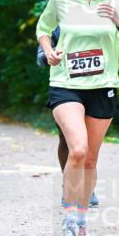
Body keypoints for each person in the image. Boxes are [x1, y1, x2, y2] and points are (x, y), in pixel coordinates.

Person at [36, 0, 119, 236]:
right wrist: (49, 50)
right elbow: (43, 27)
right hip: (66, 82)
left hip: (102, 85)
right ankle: (67, 224)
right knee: (77, 149)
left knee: (91, 158)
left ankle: (81, 225)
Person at [37, 26, 99, 207]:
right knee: (68, 141)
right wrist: (49, 55)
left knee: (90, 143)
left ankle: (88, 186)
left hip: (95, 87)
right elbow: (40, 56)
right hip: (65, 90)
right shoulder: (55, 28)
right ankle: (70, 182)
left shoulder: (94, 23)